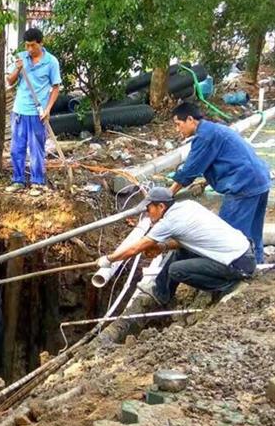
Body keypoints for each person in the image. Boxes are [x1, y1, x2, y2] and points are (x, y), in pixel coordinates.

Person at [97, 186, 256, 305]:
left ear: (161, 207)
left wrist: (109, 260)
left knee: (176, 270)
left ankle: (227, 286)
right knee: (179, 253)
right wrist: (162, 247)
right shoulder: (187, 205)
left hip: (237, 264)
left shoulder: (168, 222)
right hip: (243, 253)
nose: (147, 212)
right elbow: (186, 240)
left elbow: (135, 248)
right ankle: (161, 294)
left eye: (149, 208)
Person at [169, 101, 271, 262]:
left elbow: (189, 171)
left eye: (178, 124)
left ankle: (234, 271)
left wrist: (168, 194)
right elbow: (227, 160)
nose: (177, 129)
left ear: (190, 119)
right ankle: (256, 265)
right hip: (259, 180)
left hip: (243, 185)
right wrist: (205, 182)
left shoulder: (205, 137)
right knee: (253, 229)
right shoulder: (216, 129)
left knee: (227, 235)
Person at [6, 27, 61, 190]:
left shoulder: (51, 62)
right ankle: (18, 180)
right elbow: (10, 81)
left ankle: (37, 182)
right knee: (17, 148)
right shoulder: (21, 58)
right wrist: (17, 68)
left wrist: (48, 109)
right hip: (19, 111)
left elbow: (56, 87)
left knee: (36, 148)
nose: (29, 49)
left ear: (41, 43)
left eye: (32, 46)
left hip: (38, 113)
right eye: (27, 46)